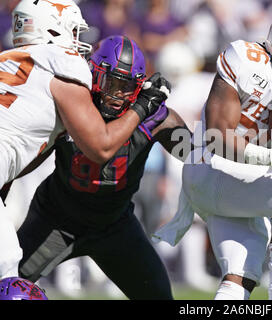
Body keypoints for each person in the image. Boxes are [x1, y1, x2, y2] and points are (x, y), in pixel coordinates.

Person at [153, 3, 272, 300]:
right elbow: (215, 137)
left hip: (247, 184)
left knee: (240, 280)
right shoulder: (247, 59)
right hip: (209, 168)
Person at [0, 0, 168, 281]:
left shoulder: (10, 59)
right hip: (60, 215)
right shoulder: (63, 63)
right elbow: (101, 147)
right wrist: (142, 107)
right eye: (73, 31)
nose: (78, 41)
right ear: (53, 30)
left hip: (111, 222)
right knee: (10, 282)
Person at [16, 35, 192, 300]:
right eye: (112, 82)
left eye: (126, 86)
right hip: (56, 219)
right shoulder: (74, 100)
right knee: (8, 284)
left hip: (115, 224)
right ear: (94, 75)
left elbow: (195, 154)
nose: (118, 94)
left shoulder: (154, 117)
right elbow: (39, 156)